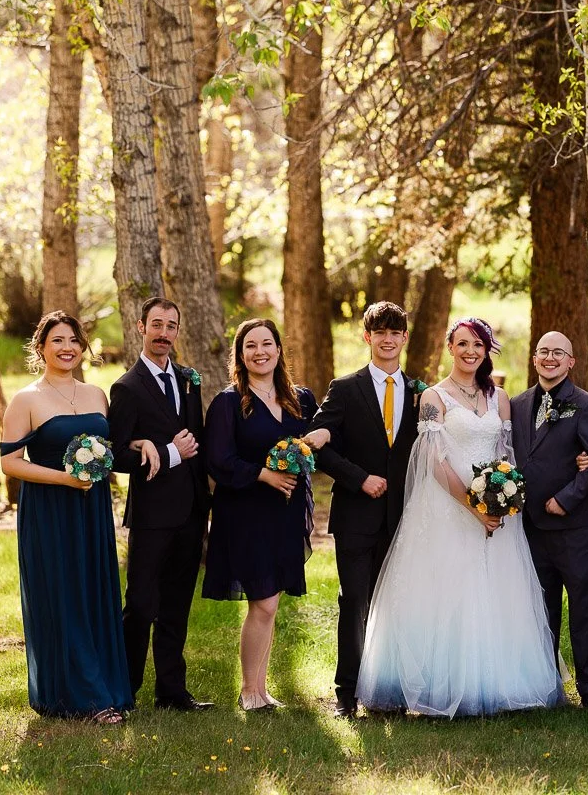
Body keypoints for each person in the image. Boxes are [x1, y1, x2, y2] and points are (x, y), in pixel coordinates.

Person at [356, 317, 563, 717]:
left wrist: (500, 500)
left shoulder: (500, 397)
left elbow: (506, 455)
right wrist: (473, 506)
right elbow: (434, 461)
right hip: (446, 507)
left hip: (496, 509)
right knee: (443, 592)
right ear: (450, 347)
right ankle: (439, 684)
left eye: (478, 345)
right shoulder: (433, 397)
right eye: (463, 343)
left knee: (497, 591)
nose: (471, 351)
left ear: (487, 351)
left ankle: (499, 682)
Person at [0, 311, 133, 723]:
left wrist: (144, 445)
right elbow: (9, 463)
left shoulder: (96, 395)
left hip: (92, 509)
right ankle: (86, 699)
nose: (67, 347)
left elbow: (112, 449)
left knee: (94, 592)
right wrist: (64, 478)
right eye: (57, 340)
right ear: (40, 347)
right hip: (49, 511)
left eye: (74, 340)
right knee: (63, 594)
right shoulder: (26, 399)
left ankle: (106, 687)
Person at [202, 318, 325, 710]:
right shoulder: (228, 403)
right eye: (250, 346)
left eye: (266, 344)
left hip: (285, 513)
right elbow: (217, 459)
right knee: (265, 601)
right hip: (245, 512)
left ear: (278, 349)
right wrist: (264, 475)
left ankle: (259, 688)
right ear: (240, 355)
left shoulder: (300, 398)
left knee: (269, 602)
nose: (260, 352)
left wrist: (322, 436)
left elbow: (322, 435)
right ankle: (248, 690)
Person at [309, 302, 420, 719]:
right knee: (354, 601)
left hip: (403, 517)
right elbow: (318, 445)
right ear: (366, 336)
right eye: (380, 332)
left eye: (394, 333)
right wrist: (360, 479)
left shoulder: (420, 392)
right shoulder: (344, 388)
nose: (387, 340)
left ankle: (390, 691)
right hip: (356, 514)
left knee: (396, 604)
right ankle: (346, 693)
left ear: (404, 338)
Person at [108, 297, 212, 711]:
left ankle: (171, 692)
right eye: (156, 324)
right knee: (140, 605)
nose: (163, 333)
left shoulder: (189, 379)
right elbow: (116, 455)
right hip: (152, 515)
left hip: (191, 511)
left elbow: (197, 442)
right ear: (141, 327)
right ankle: (125, 689)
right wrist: (168, 453)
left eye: (171, 326)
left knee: (177, 604)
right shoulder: (126, 387)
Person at [511, 331, 588, 708]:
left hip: (573, 527)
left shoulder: (586, 405)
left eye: (558, 353)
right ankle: (544, 686)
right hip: (530, 526)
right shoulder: (518, 404)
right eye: (543, 352)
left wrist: (566, 499)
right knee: (540, 609)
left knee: (584, 608)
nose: (550, 358)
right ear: (534, 358)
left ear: (571, 361)